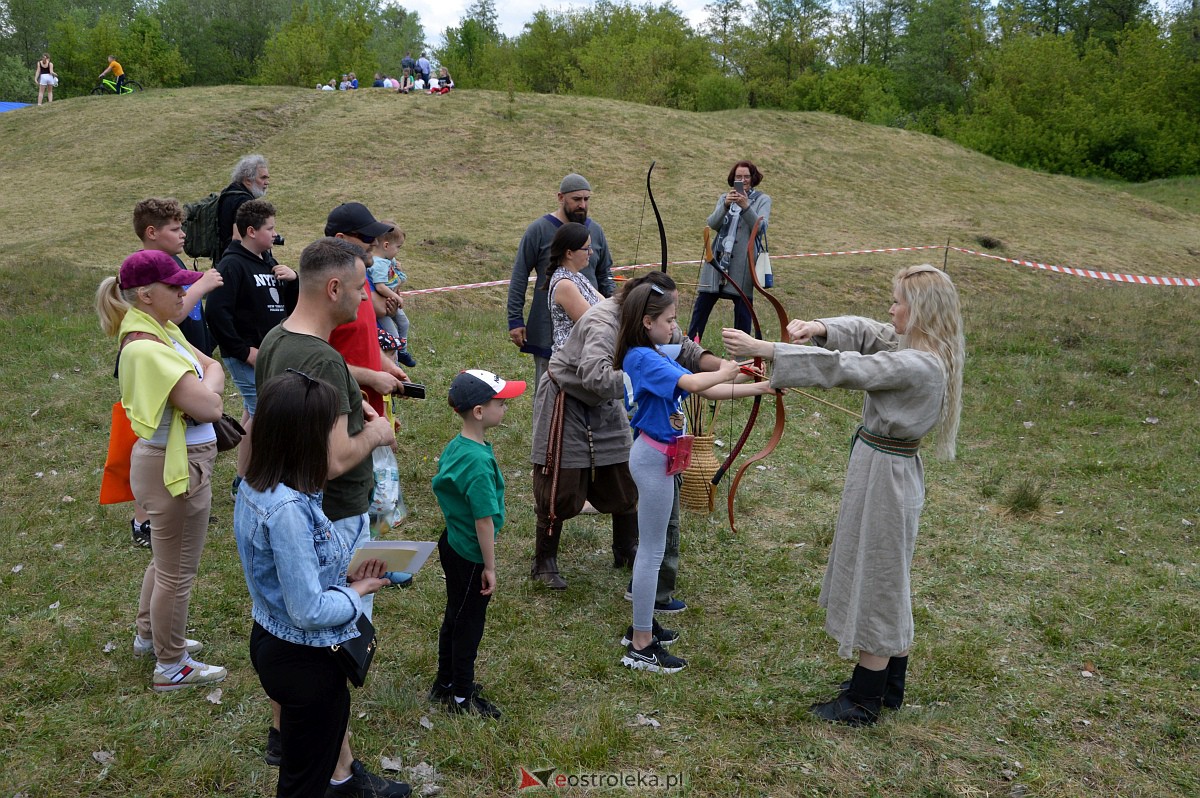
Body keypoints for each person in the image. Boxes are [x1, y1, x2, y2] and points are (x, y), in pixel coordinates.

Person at [722, 263, 964, 725]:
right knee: (883, 569)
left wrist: (767, 349)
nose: (890, 309)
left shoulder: (919, 362)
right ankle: (888, 681)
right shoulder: (916, 343)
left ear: (920, 312)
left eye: (898, 303)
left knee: (880, 575)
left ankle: (864, 698)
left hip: (887, 476)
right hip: (881, 467)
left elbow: (850, 366)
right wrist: (819, 326)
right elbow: (868, 333)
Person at [254, 237, 409, 796]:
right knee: (328, 649)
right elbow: (331, 458)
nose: (368, 295)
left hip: (299, 508)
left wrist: (357, 387)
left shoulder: (279, 339)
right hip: (333, 514)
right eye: (362, 285)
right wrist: (378, 430)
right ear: (335, 287)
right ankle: (340, 777)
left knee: (301, 644)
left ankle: (326, 760)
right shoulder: (318, 355)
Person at [235, 370, 394, 797]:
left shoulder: (256, 483)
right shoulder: (287, 508)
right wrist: (357, 592)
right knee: (304, 783)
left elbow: (288, 569)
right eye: (330, 428)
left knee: (307, 767)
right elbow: (307, 610)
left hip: (274, 639)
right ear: (304, 437)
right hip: (304, 661)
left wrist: (345, 570)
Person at [531, 271, 725, 602]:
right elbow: (595, 376)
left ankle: (627, 547)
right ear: (645, 313)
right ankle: (544, 560)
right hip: (567, 397)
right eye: (668, 314)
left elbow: (683, 349)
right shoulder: (603, 322)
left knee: (624, 475)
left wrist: (723, 365)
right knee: (560, 483)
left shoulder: (653, 317)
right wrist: (650, 374)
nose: (671, 320)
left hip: (609, 399)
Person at [615, 281, 773, 673]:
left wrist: (763, 385)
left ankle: (642, 624)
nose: (675, 326)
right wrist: (729, 367)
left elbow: (712, 392)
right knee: (651, 551)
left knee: (652, 548)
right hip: (652, 458)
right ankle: (641, 644)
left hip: (660, 457)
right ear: (647, 321)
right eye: (669, 320)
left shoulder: (656, 352)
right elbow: (693, 382)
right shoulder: (641, 358)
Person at [95, 250, 228, 691]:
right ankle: (171, 666)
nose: (184, 292)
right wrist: (210, 384)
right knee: (177, 572)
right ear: (146, 295)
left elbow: (212, 365)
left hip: (177, 463)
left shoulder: (162, 330)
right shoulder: (148, 349)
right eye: (175, 287)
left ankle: (149, 635)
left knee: (166, 561)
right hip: (177, 469)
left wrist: (209, 379)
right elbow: (210, 402)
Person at [126, 197, 224, 549]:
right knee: (156, 439)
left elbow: (211, 367)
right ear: (151, 233)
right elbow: (171, 317)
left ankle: (165, 510)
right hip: (168, 380)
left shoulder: (172, 265)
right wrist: (202, 286)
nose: (184, 234)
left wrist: (205, 381)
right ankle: (145, 519)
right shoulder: (148, 276)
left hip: (186, 370)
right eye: (175, 228)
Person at [429, 369, 526, 718]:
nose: (506, 408)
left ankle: (445, 682)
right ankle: (461, 698)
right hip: (470, 553)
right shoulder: (479, 462)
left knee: (454, 615)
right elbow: (484, 520)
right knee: (469, 625)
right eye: (500, 402)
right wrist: (490, 567)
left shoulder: (459, 446)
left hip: (451, 542)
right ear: (479, 412)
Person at [206, 199, 299, 499]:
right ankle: (248, 481)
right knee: (264, 411)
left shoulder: (268, 262)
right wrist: (245, 351)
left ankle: (244, 476)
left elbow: (287, 306)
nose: (274, 234)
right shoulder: (231, 265)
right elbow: (217, 314)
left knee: (254, 409)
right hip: (246, 355)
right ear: (250, 231)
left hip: (268, 352)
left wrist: (293, 281)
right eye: (269, 228)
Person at [507, 173, 615, 394]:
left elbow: (605, 274)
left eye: (586, 199)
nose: (582, 205)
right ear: (560, 197)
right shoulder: (539, 229)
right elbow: (519, 274)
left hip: (592, 326)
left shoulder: (595, 231)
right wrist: (515, 319)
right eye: (576, 199)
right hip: (549, 326)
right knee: (548, 390)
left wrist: (614, 309)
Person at [324, 203, 412, 419]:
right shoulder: (324, 290)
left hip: (370, 409)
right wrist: (372, 377)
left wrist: (387, 366)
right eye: (366, 236)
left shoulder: (360, 278)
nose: (374, 242)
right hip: (341, 412)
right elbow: (316, 365)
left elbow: (367, 336)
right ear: (341, 238)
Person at [687, 160, 772, 342]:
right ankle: (690, 349)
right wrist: (725, 205)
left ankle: (743, 358)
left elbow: (761, 227)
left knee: (743, 314)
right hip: (717, 263)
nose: (743, 180)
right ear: (733, 179)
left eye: (746, 176)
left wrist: (746, 207)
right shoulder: (724, 197)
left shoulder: (763, 199)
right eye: (739, 177)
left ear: (753, 178)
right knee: (700, 310)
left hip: (743, 265)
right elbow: (712, 223)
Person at [547, 222, 602, 354]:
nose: (591, 252)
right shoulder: (565, 285)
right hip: (571, 365)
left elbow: (607, 306)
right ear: (569, 253)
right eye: (586, 248)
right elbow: (594, 323)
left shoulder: (577, 276)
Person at [367, 222, 416, 368]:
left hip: (390, 301)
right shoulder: (377, 264)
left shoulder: (387, 260)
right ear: (386, 246)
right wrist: (397, 297)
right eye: (398, 247)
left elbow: (395, 280)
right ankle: (395, 366)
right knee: (393, 336)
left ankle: (402, 352)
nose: (398, 252)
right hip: (384, 307)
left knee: (404, 324)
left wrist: (398, 273)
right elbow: (380, 286)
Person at [217, 154, 271, 261]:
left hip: (224, 257)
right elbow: (238, 237)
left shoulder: (228, 193)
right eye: (263, 178)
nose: (267, 182)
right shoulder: (243, 200)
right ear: (248, 180)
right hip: (236, 261)